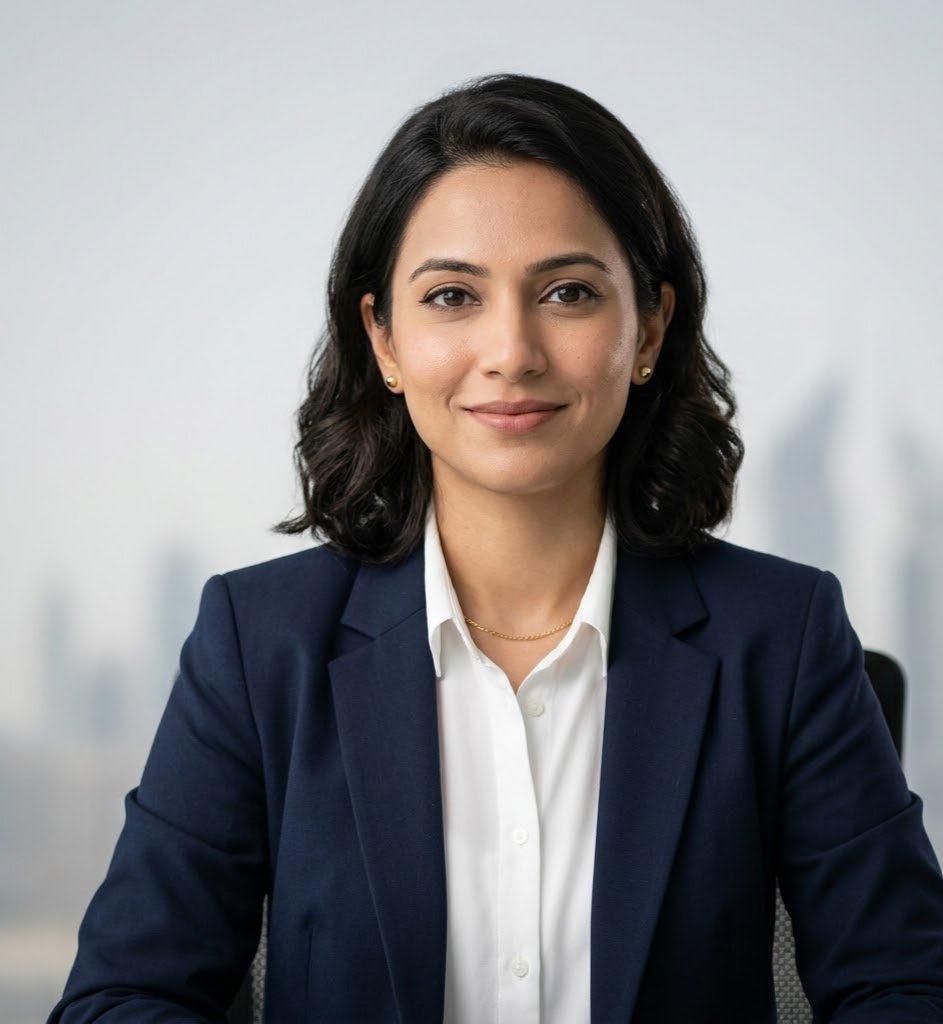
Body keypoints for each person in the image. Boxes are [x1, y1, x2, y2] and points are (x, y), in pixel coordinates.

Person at [50, 73, 943, 1023]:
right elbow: (124, 997)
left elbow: (903, 987)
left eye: (566, 292)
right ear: (382, 340)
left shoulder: (783, 635)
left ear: (649, 328)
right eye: (450, 297)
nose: (511, 351)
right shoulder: (257, 642)